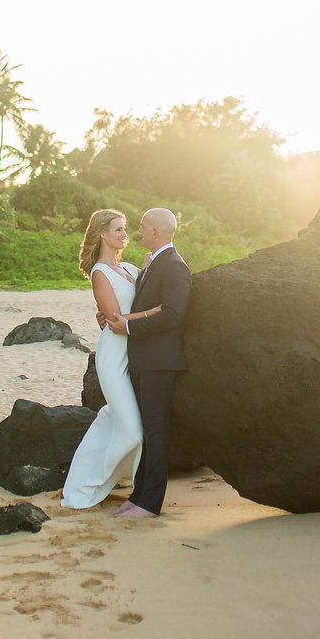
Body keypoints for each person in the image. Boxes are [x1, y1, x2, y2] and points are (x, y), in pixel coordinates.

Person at [60, 209, 161, 511]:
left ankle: (88, 478)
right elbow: (116, 320)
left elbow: (146, 295)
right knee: (131, 430)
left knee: (114, 419)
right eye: (117, 229)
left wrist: (149, 268)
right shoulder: (99, 273)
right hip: (113, 358)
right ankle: (83, 490)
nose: (123, 234)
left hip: (134, 355)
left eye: (125, 229)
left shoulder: (128, 267)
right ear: (102, 233)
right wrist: (157, 314)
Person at [106, 206, 190, 519]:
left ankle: (150, 503)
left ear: (155, 231)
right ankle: (138, 495)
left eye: (142, 227)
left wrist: (128, 327)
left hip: (160, 362)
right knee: (145, 431)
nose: (137, 232)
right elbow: (145, 305)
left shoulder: (174, 266)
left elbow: (172, 314)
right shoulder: (154, 262)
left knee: (156, 432)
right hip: (145, 360)